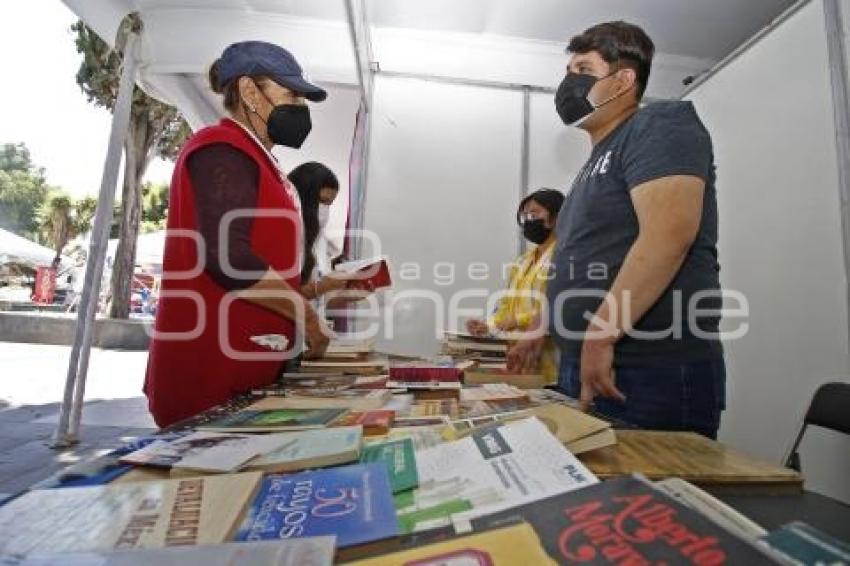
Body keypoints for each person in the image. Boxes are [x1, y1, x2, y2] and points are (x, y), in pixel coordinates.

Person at [509, 21, 725, 439]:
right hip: (587, 359)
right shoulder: (591, 167)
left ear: (624, 80)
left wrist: (602, 335)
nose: (568, 82)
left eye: (583, 69)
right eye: (568, 70)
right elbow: (575, 258)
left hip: (647, 366)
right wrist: (541, 324)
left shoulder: (660, 124)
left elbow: (669, 235)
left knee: (644, 500)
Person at [144, 41, 332, 427]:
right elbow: (230, 258)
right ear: (250, 92)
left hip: (248, 367)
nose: (300, 107)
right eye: (291, 93)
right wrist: (307, 317)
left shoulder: (261, 160)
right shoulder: (222, 149)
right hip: (211, 372)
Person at [467, 189, 564, 384]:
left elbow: (561, 306)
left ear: (556, 217)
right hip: (515, 358)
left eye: (535, 213)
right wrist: (488, 326)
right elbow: (506, 305)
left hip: (549, 358)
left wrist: (516, 320)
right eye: (525, 215)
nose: (529, 219)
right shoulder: (522, 261)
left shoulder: (565, 256)